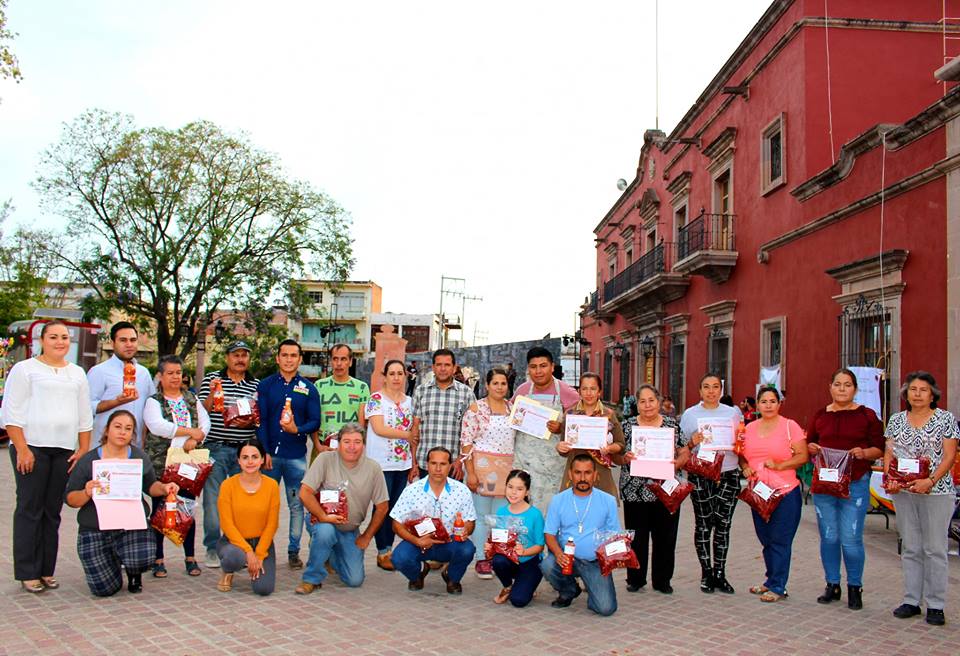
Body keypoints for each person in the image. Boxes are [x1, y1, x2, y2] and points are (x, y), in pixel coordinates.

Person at [1, 320, 93, 593]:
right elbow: (11, 413)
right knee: (30, 509)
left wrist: (83, 449)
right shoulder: (25, 369)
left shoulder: (77, 373)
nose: (60, 342)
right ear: (42, 340)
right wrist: (23, 448)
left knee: (52, 512)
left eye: (64, 337)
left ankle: (45, 570)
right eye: (53, 337)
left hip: (64, 451)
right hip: (31, 447)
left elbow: (84, 415)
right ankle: (27, 571)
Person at [65, 410, 177, 596]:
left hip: (130, 524)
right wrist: (86, 492)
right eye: (117, 427)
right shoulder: (89, 460)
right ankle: (113, 561)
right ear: (107, 430)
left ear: (132, 434)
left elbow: (150, 486)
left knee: (143, 558)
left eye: (128, 428)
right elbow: (70, 499)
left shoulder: (138, 457)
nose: (122, 432)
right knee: (104, 589)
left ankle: (134, 572)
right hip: (95, 527)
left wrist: (165, 488)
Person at [806, 368, 884, 610]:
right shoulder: (820, 415)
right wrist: (812, 448)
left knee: (850, 538)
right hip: (825, 485)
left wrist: (864, 453)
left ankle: (854, 586)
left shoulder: (867, 416)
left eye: (847, 385)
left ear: (855, 389)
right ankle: (832, 584)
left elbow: (879, 449)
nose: (842, 389)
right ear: (830, 387)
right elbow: (810, 442)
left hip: (855, 483)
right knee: (829, 536)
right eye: (837, 384)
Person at [885, 371, 957, 626]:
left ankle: (936, 604)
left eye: (923, 390)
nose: (917, 394)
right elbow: (889, 452)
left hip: (936, 492)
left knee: (935, 548)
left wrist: (931, 480)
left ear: (932, 394)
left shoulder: (945, 419)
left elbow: (949, 456)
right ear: (906, 393)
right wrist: (889, 478)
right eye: (913, 389)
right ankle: (911, 600)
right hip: (905, 493)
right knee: (911, 546)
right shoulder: (896, 420)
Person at [296, 423, 389, 593]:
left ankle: (328, 553)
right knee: (325, 533)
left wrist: (367, 536)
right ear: (339, 444)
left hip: (349, 529)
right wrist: (323, 516)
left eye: (357, 442)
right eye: (346, 442)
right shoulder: (325, 459)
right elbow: (305, 493)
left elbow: (382, 507)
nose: (352, 447)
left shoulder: (373, 468)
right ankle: (312, 578)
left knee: (354, 580)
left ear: (364, 445)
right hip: (322, 521)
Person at [143, 355, 211, 578]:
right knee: (161, 509)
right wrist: (190, 431)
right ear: (160, 376)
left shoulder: (191, 398)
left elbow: (205, 423)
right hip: (162, 464)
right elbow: (158, 426)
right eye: (170, 373)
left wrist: (196, 438)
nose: (175, 377)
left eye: (178, 373)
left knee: (187, 509)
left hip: (188, 465)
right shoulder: (154, 401)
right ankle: (158, 559)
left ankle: (190, 557)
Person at [739, 387, 808, 602]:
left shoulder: (790, 426)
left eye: (772, 401)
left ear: (779, 404)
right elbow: (741, 455)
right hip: (759, 493)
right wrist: (744, 467)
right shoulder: (749, 428)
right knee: (766, 538)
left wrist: (780, 465)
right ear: (757, 405)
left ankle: (778, 586)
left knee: (780, 539)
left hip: (785, 492)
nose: (768, 405)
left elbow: (803, 456)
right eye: (764, 401)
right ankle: (770, 580)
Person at [256, 339, 321, 569]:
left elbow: (315, 421)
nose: (289, 359)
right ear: (277, 358)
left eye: (294, 355)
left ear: (300, 359)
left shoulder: (309, 388)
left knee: (296, 506)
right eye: (284, 355)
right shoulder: (265, 386)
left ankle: (293, 551)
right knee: (264, 505)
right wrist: (263, 451)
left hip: (296, 457)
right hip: (270, 458)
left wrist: (297, 429)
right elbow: (260, 421)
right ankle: (262, 549)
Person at [618, 385, 688, 594]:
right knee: (636, 537)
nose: (647, 405)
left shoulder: (670, 425)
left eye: (651, 400)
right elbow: (615, 456)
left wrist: (675, 464)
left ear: (659, 402)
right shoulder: (627, 426)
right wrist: (624, 458)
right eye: (642, 401)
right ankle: (636, 579)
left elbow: (684, 451)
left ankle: (662, 580)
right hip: (634, 490)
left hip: (664, 490)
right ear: (636, 404)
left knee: (665, 537)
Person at [197, 340, 260, 569]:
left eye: (245, 355)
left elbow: (259, 415)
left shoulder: (255, 384)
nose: (240, 359)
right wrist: (214, 394)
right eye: (236, 355)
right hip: (216, 446)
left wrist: (250, 420)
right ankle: (212, 548)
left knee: (242, 501)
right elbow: (202, 410)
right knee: (213, 501)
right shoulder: (213, 379)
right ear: (227, 358)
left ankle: (239, 546)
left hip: (244, 450)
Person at [680, 373, 744, 594]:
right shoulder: (690, 415)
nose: (711, 391)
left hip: (728, 473)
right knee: (704, 525)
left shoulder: (733, 413)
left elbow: (742, 441)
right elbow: (681, 447)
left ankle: (720, 573)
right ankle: (706, 573)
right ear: (700, 391)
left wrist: (739, 445)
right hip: (701, 474)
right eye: (706, 387)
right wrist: (691, 441)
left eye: (715, 386)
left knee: (723, 526)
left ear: (721, 390)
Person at [541, 453, 621, 616]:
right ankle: (569, 590)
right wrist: (558, 553)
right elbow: (549, 534)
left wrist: (617, 555)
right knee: (547, 565)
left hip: (594, 561)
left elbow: (614, 535)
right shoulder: (558, 500)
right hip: (566, 558)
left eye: (587, 472)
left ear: (595, 475)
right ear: (570, 475)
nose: (582, 478)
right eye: (578, 472)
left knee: (606, 609)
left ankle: (594, 592)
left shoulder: (608, 500)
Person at [389, 446, 477, 594]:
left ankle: (452, 577)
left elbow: (470, 521)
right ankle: (418, 573)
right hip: (419, 541)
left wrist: (465, 530)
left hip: (449, 541)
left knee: (467, 549)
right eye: (433, 463)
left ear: (450, 466)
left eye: (443, 464)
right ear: (427, 465)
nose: (438, 468)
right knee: (399, 558)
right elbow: (396, 524)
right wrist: (417, 541)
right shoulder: (411, 490)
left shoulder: (461, 490)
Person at [360, 359, 415, 571]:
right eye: (391, 373)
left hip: (402, 463)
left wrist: (413, 460)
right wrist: (409, 435)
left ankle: (389, 549)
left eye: (400, 373)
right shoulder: (376, 399)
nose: (396, 378)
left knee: (395, 509)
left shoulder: (410, 401)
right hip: (381, 463)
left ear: (405, 376)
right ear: (385, 376)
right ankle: (382, 551)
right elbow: (379, 428)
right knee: (381, 508)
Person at [461, 366, 515, 579]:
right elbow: (466, 443)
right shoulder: (476, 409)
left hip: (506, 469)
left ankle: (499, 556)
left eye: (503, 383)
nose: (500, 387)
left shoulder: (514, 410)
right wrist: (471, 473)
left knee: (502, 517)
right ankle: (482, 559)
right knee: (482, 516)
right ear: (487, 385)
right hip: (481, 468)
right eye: (495, 383)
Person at [511, 346, 579, 511]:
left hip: (553, 468)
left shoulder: (567, 392)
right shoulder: (522, 391)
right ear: (528, 369)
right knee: (523, 512)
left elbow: (577, 427)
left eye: (543, 366)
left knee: (550, 513)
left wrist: (561, 428)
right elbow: (511, 420)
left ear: (552, 367)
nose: (538, 371)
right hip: (524, 463)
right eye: (533, 367)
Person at [215, 438, 280, 596]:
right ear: (238, 461)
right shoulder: (228, 485)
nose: (250, 462)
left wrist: (259, 554)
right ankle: (228, 570)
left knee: (263, 589)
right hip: (234, 542)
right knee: (234, 557)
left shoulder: (272, 486)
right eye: (245, 457)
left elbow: (272, 524)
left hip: (261, 543)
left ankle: (253, 565)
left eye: (255, 457)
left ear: (263, 459)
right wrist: (248, 553)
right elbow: (227, 524)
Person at [86, 321, 156, 449]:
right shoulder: (99, 371)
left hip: (136, 447)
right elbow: (86, 407)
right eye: (123, 340)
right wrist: (116, 402)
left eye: (133, 340)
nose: (129, 344)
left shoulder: (143, 373)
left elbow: (151, 406)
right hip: (105, 447)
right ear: (113, 343)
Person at [411, 348, 476, 479]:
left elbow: (472, 433)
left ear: (454, 367)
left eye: (447, 365)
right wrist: (413, 463)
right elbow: (415, 431)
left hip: (454, 466)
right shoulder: (420, 391)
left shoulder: (466, 393)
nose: (443, 368)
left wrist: (459, 460)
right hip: (425, 463)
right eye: (439, 364)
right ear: (433, 367)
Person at [558, 373, 624, 498]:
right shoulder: (570, 414)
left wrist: (609, 448)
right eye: (584, 389)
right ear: (579, 391)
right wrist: (560, 447)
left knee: (600, 512)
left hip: (601, 471)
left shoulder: (608, 414)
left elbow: (621, 445)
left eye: (593, 389)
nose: (589, 393)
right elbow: (564, 449)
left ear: (599, 392)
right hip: (576, 471)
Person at [486, 469, 544, 607]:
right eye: (510, 487)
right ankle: (507, 587)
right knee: (498, 560)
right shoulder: (502, 512)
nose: (513, 492)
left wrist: (524, 552)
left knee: (518, 601)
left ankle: (527, 584)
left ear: (527, 492)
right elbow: (499, 540)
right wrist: (490, 546)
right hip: (509, 560)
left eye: (519, 489)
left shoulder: (535, 514)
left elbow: (540, 546)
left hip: (529, 561)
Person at [313, 343, 370, 459]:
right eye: (335, 359)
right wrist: (318, 445)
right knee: (318, 478)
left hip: (350, 450)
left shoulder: (362, 388)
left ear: (350, 362)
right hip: (322, 448)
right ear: (330, 362)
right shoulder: (318, 386)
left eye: (343, 359)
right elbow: (314, 419)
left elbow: (361, 424)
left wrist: (356, 448)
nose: (339, 363)